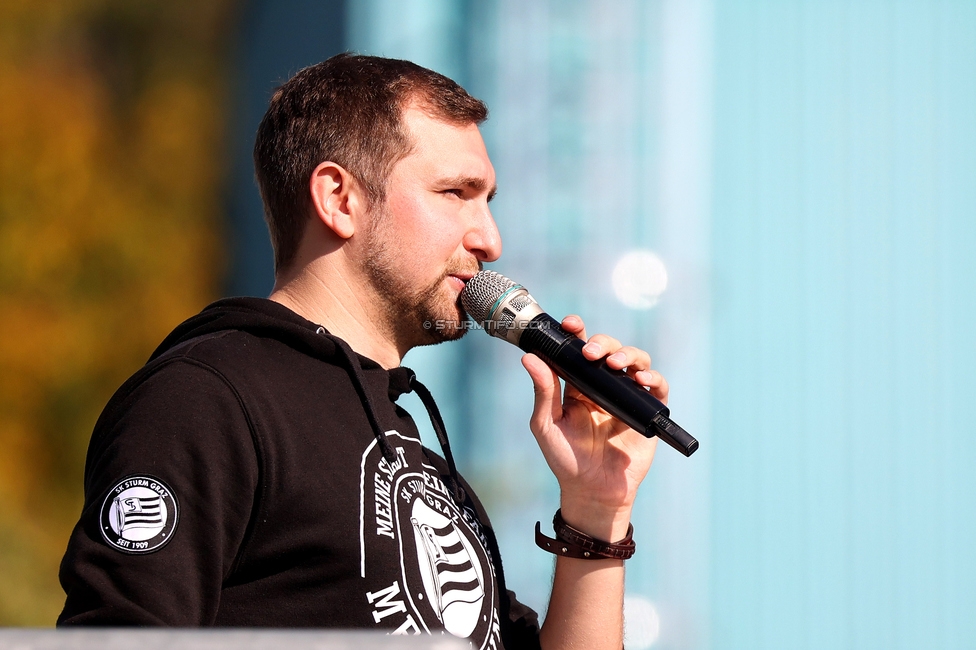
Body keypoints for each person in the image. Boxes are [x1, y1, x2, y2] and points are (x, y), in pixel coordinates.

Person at [58, 54, 668, 650]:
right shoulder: (206, 399)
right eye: (456, 192)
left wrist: (596, 508)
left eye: (488, 202)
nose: (490, 240)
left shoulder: (416, 455)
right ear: (340, 199)